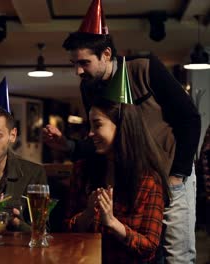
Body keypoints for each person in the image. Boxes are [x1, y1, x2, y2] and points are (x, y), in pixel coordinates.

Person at [43, 1, 201, 262]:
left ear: (106, 54)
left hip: (172, 172)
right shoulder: (89, 87)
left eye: (84, 62)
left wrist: (177, 176)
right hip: (132, 177)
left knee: (178, 256)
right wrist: (68, 146)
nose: (77, 71)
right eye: (74, 63)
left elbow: (190, 119)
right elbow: (103, 140)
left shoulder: (145, 68)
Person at [65, 97, 170, 263]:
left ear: (122, 127)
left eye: (97, 125)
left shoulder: (149, 180)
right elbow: (64, 231)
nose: (90, 133)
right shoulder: (82, 170)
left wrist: (113, 223)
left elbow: (149, 248)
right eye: (90, 126)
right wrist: (87, 214)